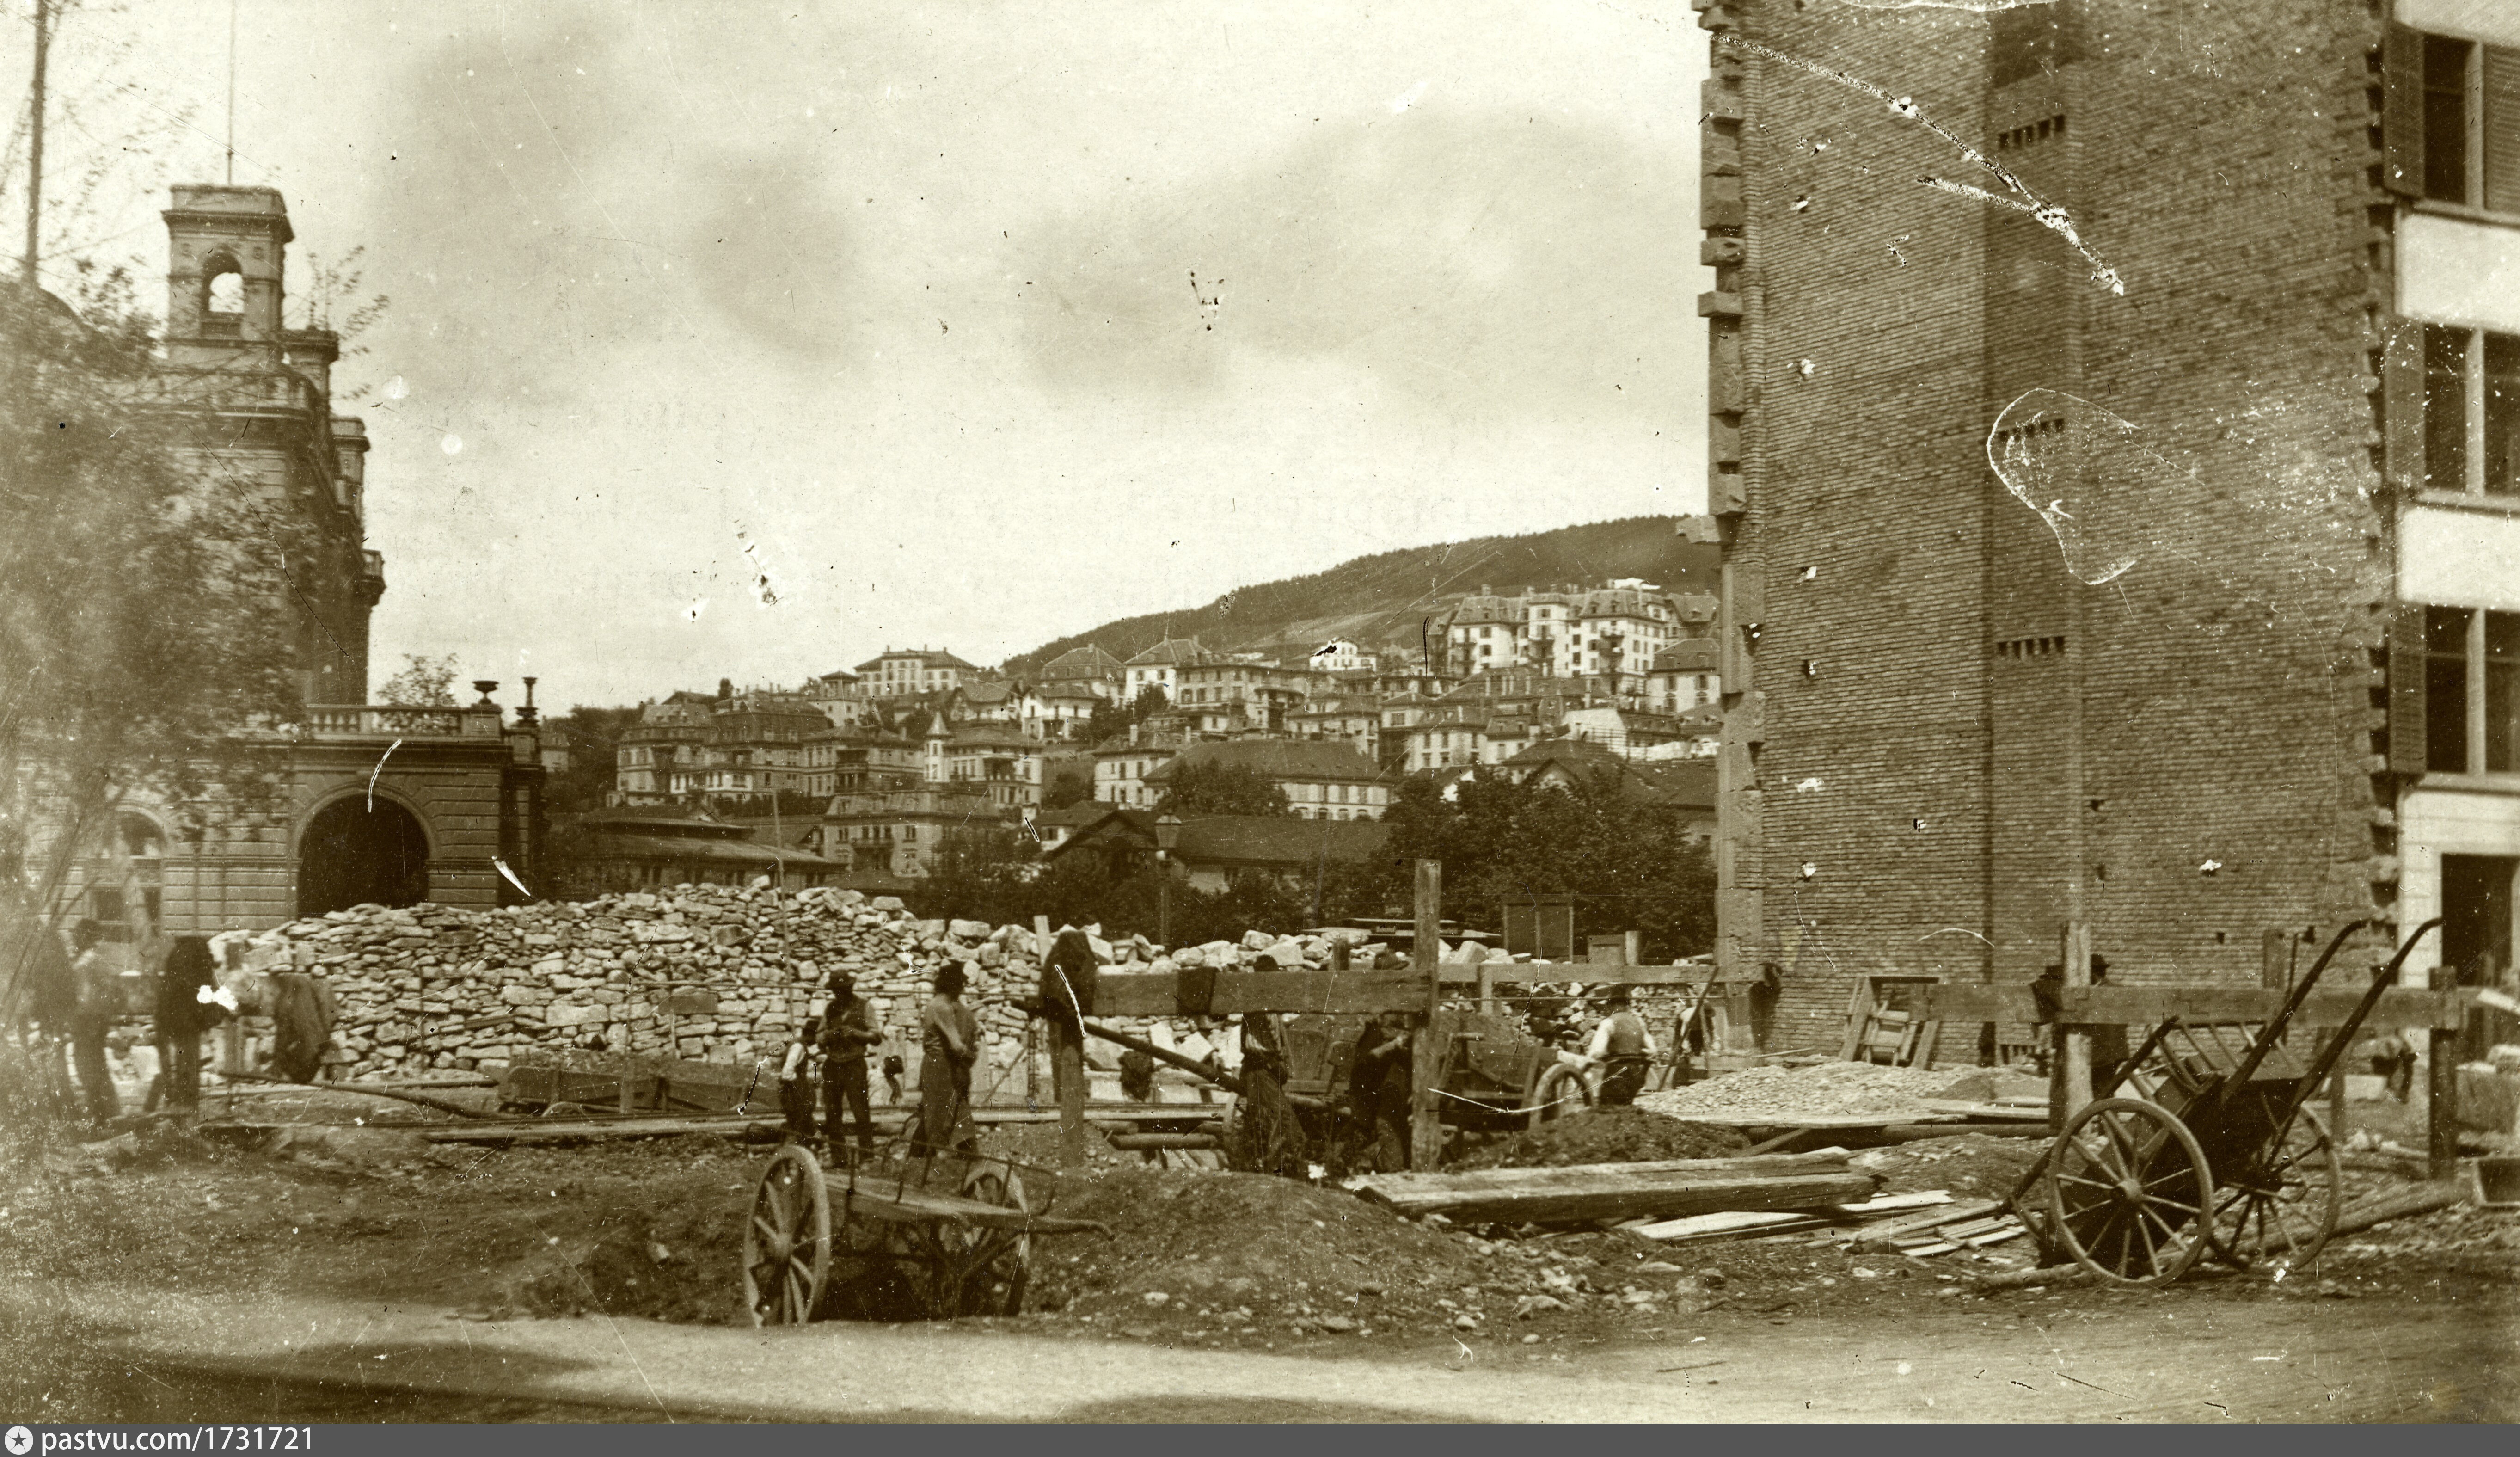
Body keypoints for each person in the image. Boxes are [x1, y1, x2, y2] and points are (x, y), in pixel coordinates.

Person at [149, 935, 224, 1118]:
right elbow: (207, 988)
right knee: (188, 1062)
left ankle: (174, 1103)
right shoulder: (200, 955)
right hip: (187, 1020)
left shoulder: (175, 955)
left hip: (168, 1017)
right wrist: (213, 1015)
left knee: (173, 1064)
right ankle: (187, 1107)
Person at [915, 964, 981, 1157]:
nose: (962, 989)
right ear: (952, 985)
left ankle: (967, 1153)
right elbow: (956, 1045)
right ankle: (932, 1155)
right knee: (939, 1112)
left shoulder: (947, 1006)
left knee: (956, 1109)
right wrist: (971, 1056)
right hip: (940, 1065)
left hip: (946, 1065)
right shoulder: (941, 1007)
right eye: (960, 984)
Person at [1341, 1010, 1414, 1174]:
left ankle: (1367, 1157)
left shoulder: (1395, 1039)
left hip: (1392, 1097)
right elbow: (1369, 1058)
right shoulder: (1373, 1034)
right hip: (1372, 1098)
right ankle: (1364, 1159)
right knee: (1393, 1158)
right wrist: (1395, 1044)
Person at [818, 976, 881, 1161]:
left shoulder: (865, 1006)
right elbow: (819, 1036)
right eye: (836, 991)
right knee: (832, 1113)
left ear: (850, 989)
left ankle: (867, 1156)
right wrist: (828, 1035)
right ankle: (839, 1158)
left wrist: (856, 1033)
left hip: (855, 1064)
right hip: (833, 1064)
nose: (839, 994)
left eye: (843, 990)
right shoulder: (830, 1008)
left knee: (861, 1112)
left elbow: (877, 1037)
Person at [66, 918, 121, 1123]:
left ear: (84, 937)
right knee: (95, 1067)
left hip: (88, 1022)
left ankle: (104, 1114)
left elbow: (87, 998)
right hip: (95, 1022)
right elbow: (111, 992)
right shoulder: (95, 960)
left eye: (77, 935)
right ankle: (107, 1113)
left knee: (88, 1067)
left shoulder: (86, 962)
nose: (74, 939)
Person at [1580, 987, 1657, 1107]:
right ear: (1627, 1006)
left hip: (1616, 1072)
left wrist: (1583, 1068)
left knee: (1608, 1109)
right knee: (1626, 1109)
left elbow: (1597, 1052)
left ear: (1612, 1006)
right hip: (1635, 1073)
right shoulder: (1639, 1023)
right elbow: (1653, 1051)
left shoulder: (1608, 1023)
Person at [778, 1014, 823, 1143]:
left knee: (802, 1123)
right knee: (799, 1123)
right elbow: (787, 1072)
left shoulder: (799, 1045)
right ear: (811, 1036)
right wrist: (800, 1083)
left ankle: (805, 1145)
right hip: (795, 1093)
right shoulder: (798, 1047)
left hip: (796, 1090)